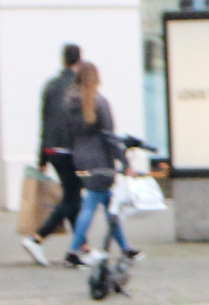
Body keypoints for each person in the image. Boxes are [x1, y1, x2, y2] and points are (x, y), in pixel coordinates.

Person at [59, 62, 142, 265]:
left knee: (107, 203)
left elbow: (67, 135)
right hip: (101, 161)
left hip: (81, 161)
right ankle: (73, 251)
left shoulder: (69, 103)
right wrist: (125, 163)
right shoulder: (100, 103)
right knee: (94, 203)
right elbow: (109, 137)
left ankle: (125, 248)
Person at [21, 43, 83, 265]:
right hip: (69, 150)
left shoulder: (50, 85)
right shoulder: (78, 86)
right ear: (79, 60)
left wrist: (42, 158)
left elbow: (44, 120)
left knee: (73, 196)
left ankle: (80, 248)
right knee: (72, 197)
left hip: (51, 148)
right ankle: (37, 238)